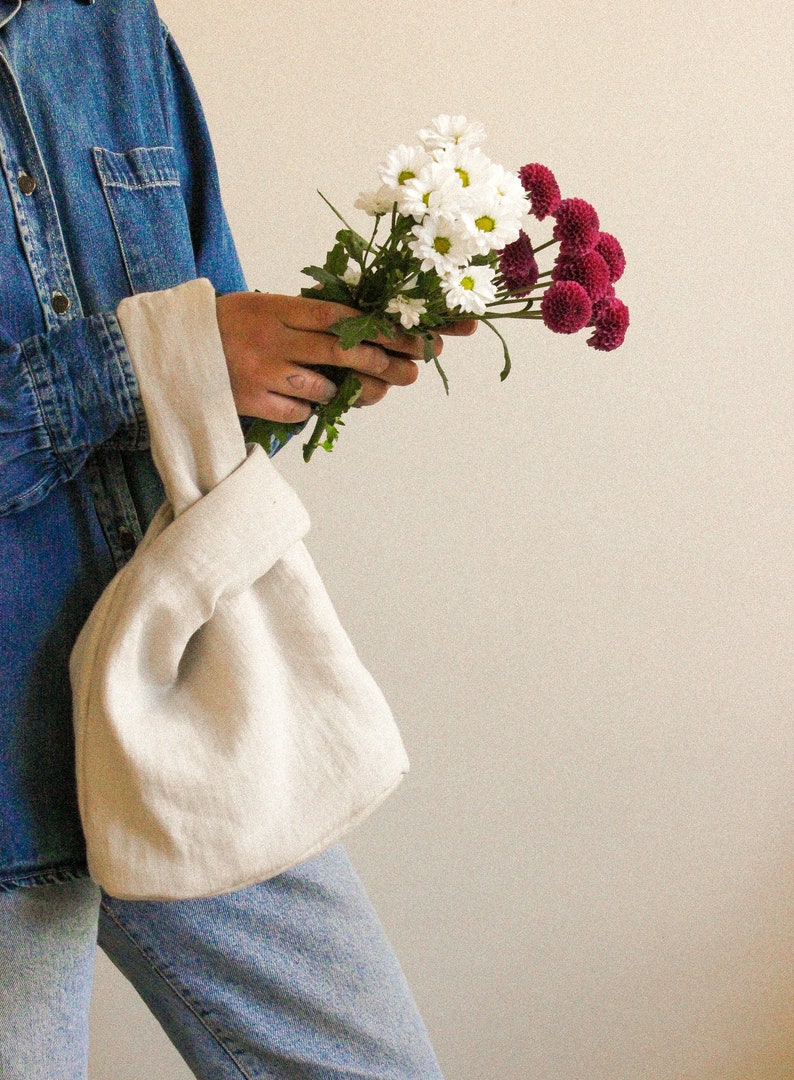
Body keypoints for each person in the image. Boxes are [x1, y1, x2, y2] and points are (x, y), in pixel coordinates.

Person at [0, 2, 475, 1077]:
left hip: (196, 700)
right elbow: (159, 351)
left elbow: (202, 335)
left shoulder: (109, 25)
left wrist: (306, 358)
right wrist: (140, 362)